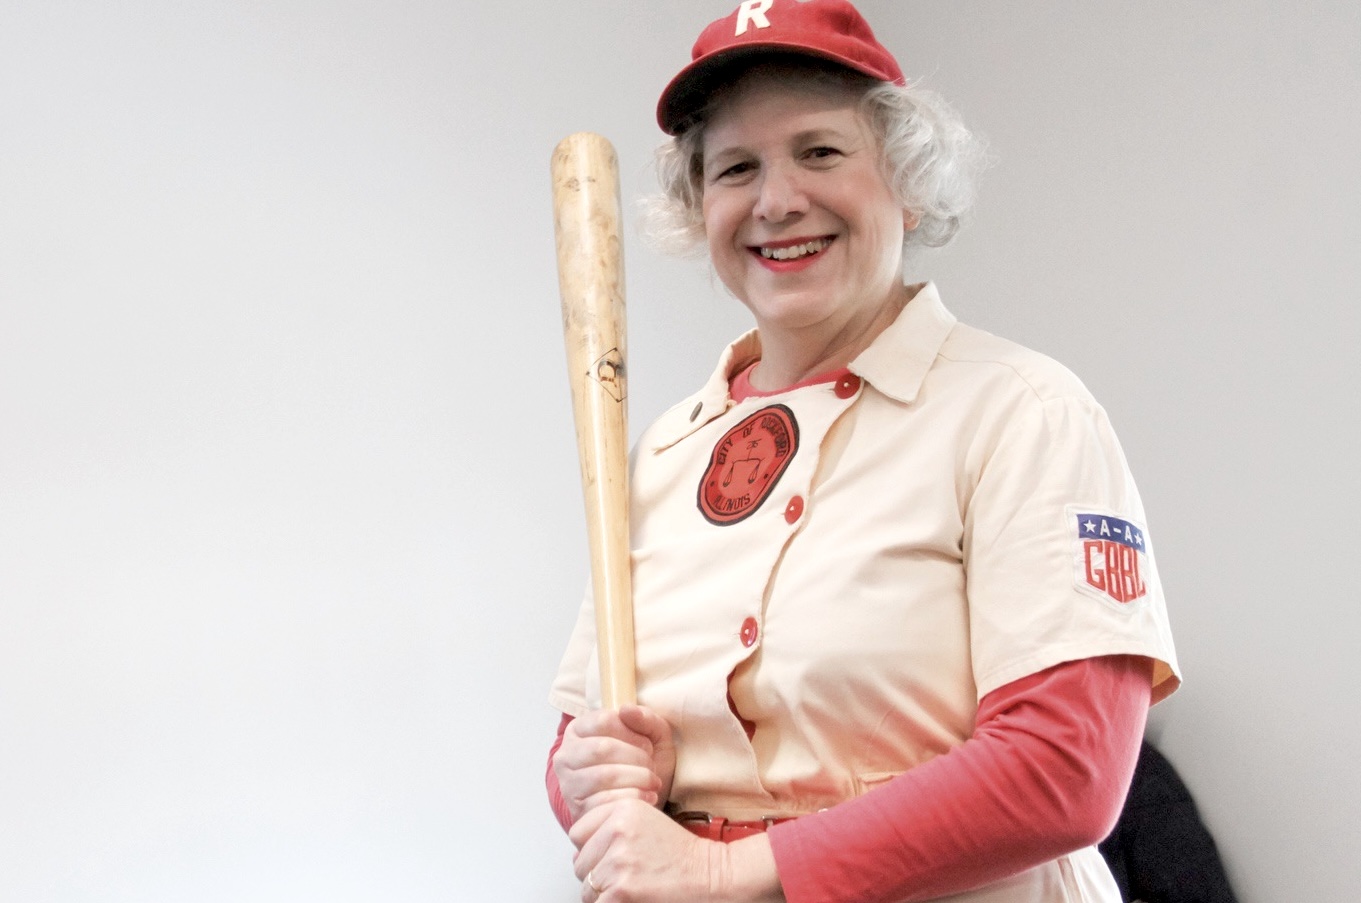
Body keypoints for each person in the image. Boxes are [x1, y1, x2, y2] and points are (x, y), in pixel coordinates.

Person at [546, 2, 1181, 901]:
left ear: (907, 180)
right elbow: (585, 748)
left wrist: (729, 868)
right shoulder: (658, 454)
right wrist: (594, 780)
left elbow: (1063, 768)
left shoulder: (1021, 412)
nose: (776, 200)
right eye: (735, 167)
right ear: (699, 211)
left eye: (819, 151)